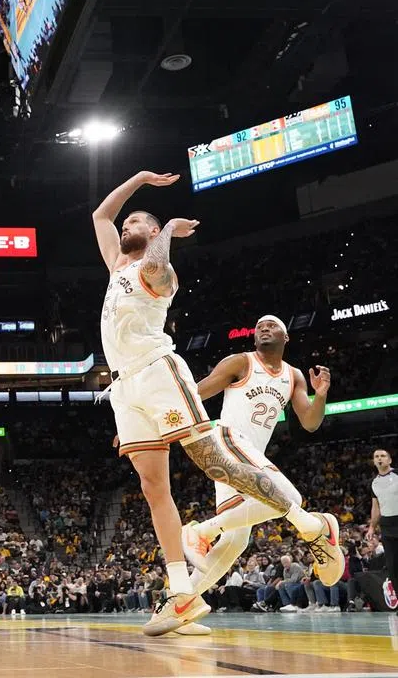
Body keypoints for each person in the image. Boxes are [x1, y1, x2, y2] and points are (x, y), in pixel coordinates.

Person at [92, 170, 342, 636]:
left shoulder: (157, 272)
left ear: (154, 233)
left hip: (157, 370)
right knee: (153, 488)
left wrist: (164, 230)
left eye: (139, 223)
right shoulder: (115, 265)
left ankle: (311, 526)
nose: (128, 225)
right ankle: (182, 594)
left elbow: (158, 263)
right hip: (123, 387)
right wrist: (141, 181)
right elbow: (101, 214)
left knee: (210, 457)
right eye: (129, 224)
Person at [183, 316, 341, 603]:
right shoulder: (241, 362)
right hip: (229, 439)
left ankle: (178, 602)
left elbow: (310, 423)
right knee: (289, 495)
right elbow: (196, 392)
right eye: (260, 328)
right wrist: (154, 417)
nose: (264, 329)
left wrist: (321, 396)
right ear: (255, 338)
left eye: (272, 326)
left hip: (250, 453)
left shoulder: (293, 376)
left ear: (285, 337)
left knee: (235, 540)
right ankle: (317, 527)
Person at [368, 447, 398, 606]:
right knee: (393, 566)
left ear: (389, 460)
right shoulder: (374, 483)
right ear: (374, 461)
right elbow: (376, 507)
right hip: (387, 526)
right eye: (376, 456)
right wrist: (372, 527)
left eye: (383, 456)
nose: (380, 458)